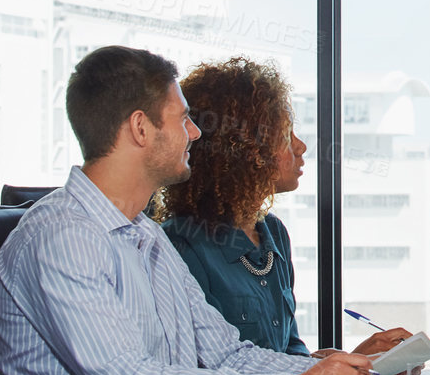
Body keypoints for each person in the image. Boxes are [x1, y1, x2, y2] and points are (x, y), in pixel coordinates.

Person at [0, 46, 372, 375]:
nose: (194, 133)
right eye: (182, 119)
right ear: (141, 127)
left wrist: (347, 373)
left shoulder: (145, 235)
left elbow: (228, 355)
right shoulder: (63, 238)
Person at [153, 56, 410, 359]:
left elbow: (288, 356)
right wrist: (343, 366)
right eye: (286, 135)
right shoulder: (181, 247)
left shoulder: (273, 233)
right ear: (243, 148)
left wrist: (359, 364)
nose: (301, 147)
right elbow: (213, 370)